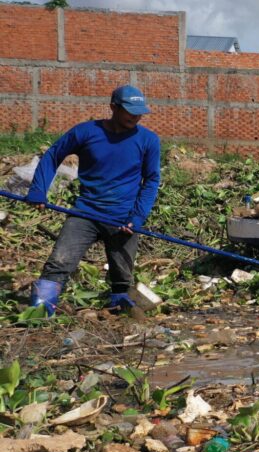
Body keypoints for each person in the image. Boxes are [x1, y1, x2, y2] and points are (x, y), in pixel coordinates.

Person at [26, 84, 161, 315]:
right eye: (130, 111)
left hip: (123, 218)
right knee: (59, 261)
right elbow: (53, 155)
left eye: (139, 113)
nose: (135, 117)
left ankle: (117, 312)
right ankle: (38, 313)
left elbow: (151, 180)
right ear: (113, 107)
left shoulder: (148, 140)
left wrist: (138, 216)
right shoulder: (86, 132)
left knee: (122, 275)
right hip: (85, 212)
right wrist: (38, 190)